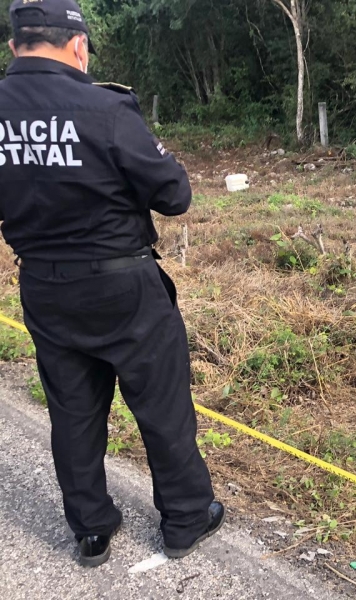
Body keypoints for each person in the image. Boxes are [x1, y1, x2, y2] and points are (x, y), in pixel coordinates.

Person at [0, 0, 224, 567]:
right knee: (161, 403)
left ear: (15, 46)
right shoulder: (104, 106)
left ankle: (91, 529)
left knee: (72, 411)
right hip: (123, 286)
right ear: (78, 47)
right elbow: (174, 195)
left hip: (44, 286)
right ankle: (185, 519)